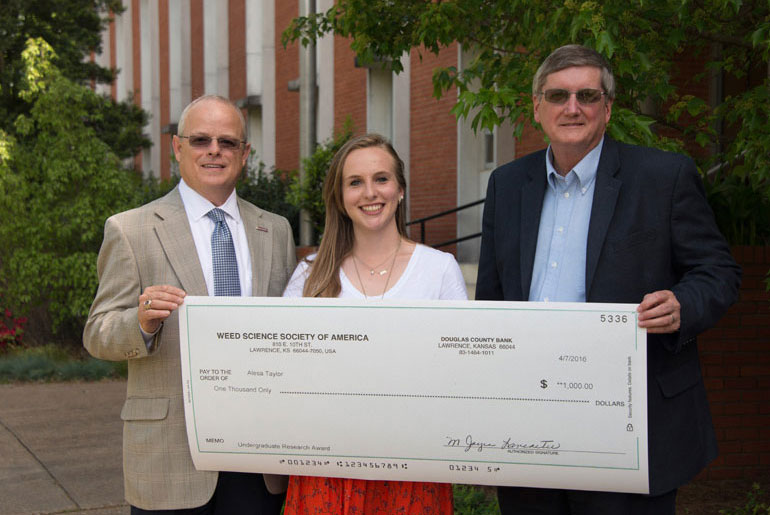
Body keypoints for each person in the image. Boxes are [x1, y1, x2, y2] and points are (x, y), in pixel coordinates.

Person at [476, 45, 741, 515]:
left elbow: (717, 271)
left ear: (608, 107)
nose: (572, 107)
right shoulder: (508, 185)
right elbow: (492, 297)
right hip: (528, 419)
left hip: (627, 421)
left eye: (587, 95)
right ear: (537, 107)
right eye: (557, 95)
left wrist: (682, 304)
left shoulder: (664, 176)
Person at [83, 95, 296, 514]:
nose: (214, 150)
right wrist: (141, 322)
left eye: (228, 142)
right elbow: (97, 333)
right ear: (177, 149)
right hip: (169, 456)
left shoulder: (275, 230)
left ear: (245, 154)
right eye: (200, 140)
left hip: (258, 449)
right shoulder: (131, 230)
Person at [282, 133, 467, 514]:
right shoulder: (309, 275)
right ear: (340, 196)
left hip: (413, 466)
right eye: (355, 182)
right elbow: (286, 373)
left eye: (381, 179)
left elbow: (459, 372)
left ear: (400, 190)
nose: (370, 193)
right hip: (325, 469)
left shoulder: (439, 269)